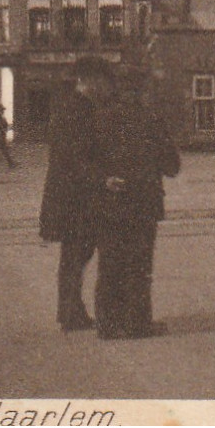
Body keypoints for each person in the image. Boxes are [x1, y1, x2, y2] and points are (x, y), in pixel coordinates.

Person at [83, 60, 180, 339]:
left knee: (110, 263)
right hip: (143, 203)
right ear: (141, 89)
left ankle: (108, 325)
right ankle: (137, 323)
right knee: (139, 265)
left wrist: (103, 179)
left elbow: (81, 162)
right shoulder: (151, 120)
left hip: (109, 202)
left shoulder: (98, 118)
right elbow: (172, 166)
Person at [40, 72, 99, 332]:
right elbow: (80, 155)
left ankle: (68, 311)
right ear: (87, 82)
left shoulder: (65, 108)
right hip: (76, 196)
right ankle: (71, 313)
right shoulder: (81, 109)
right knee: (77, 254)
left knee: (72, 255)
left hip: (63, 193)